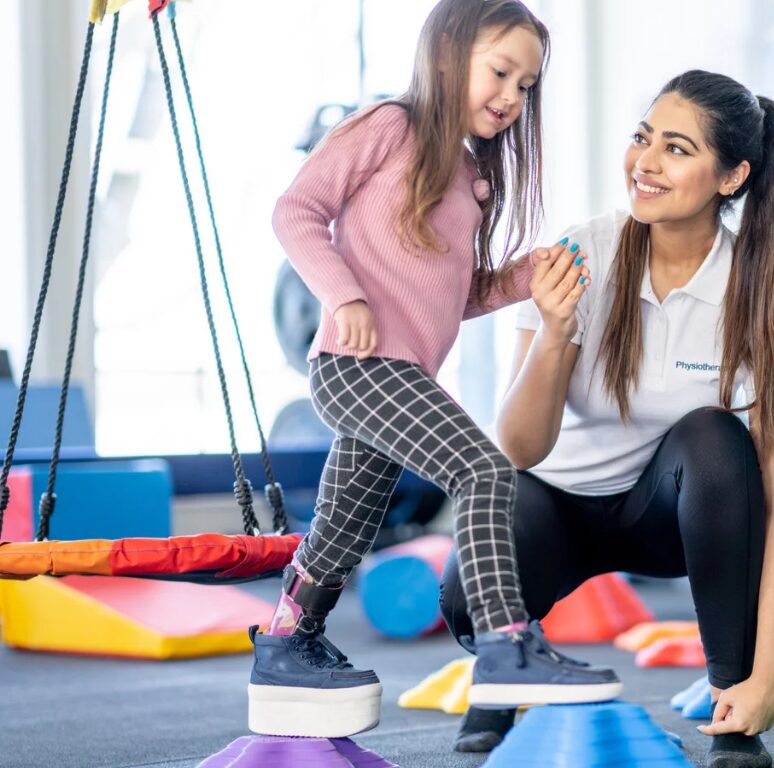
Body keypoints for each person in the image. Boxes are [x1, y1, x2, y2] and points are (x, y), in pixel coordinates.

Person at [249, 0, 618, 740]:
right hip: (358, 366)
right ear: (448, 55)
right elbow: (296, 210)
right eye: (500, 72)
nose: (512, 97)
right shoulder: (389, 125)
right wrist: (344, 294)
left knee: (343, 528)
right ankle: (507, 646)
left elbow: (455, 293)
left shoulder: (470, 177)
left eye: (526, 86)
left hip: (399, 373)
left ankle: (288, 639)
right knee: (484, 471)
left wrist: (516, 278)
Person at [441, 70, 774, 768]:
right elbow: (519, 448)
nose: (645, 163)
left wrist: (768, 677)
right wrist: (555, 333)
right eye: (642, 138)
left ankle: (731, 704)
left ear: (731, 177)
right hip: (552, 507)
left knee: (716, 440)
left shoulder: (756, 288)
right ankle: (501, 671)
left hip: (665, 520)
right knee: (465, 588)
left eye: (676, 149)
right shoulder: (582, 252)